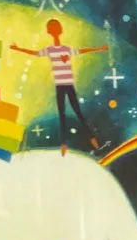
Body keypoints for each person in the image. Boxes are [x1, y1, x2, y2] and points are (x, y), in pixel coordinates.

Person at [11, 19, 107, 155]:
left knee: (76, 112)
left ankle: (89, 139)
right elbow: (35, 53)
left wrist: (99, 49)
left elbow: (81, 51)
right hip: (61, 86)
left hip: (68, 85)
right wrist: (17, 48)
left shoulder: (65, 49)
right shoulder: (51, 50)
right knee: (64, 114)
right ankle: (65, 143)